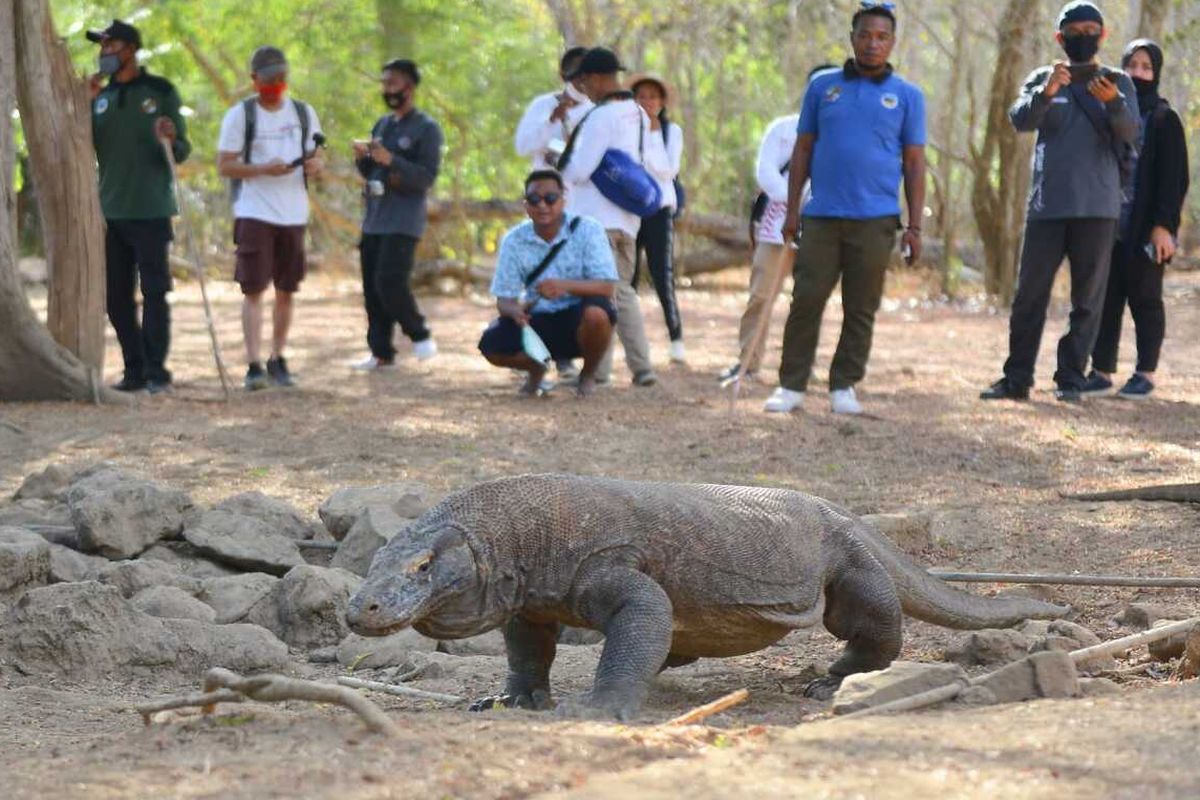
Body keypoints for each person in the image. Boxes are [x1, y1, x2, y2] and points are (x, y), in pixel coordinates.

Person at [766, 4, 926, 415]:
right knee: (806, 299)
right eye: (866, 35)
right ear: (852, 37)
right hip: (821, 214)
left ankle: (844, 386)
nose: (873, 43)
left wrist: (914, 226)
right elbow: (803, 149)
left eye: (882, 37)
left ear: (892, 42)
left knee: (861, 306)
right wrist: (791, 211)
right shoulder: (823, 87)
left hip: (876, 218)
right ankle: (791, 385)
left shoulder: (908, 96)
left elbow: (913, 162)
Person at [980, 1, 1140, 403]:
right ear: (1059, 38)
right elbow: (1020, 120)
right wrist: (1047, 91)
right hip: (1046, 207)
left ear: (1102, 36)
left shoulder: (1118, 80)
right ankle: (1017, 378)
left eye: (1092, 30)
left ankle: (1071, 377)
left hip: (1098, 208)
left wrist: (1113, 103)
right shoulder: (1042, 77)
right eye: (1075, 30)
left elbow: (1131, 133)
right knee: (1028, 296)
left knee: (1087, 299)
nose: (1084, 36)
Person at [88, 20, 191, 394]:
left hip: (151, 210)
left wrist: (171, 137)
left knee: (154, 292)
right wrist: (82, 101)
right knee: (116, 296)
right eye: (101, 47)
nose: (103, 53)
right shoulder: (98, 97)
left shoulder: (160, 90)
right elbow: (81, 147)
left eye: (109, 44)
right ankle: (133, 368)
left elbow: (180, 152)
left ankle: (156, 371)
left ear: (130, 48)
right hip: (110, 212)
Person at [1083, 39, 1189, 400]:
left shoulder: (1164, 118)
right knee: (1105, 299)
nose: (1137, 74)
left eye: (1146, 67)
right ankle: (1100, 370)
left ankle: (1145, 373)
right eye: (1132, 66)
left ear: (1156, 73)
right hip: (1109, 225)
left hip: (1146, 228)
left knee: (1145, 299)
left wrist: (1165, 227)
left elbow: (1176, 179)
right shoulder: (1113, 113)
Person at [559, 47, 669, 388]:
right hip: (628, 220)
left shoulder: (601, 116)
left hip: (596, 219)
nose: (584, 88)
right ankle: (641, 368)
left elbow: (579, 170)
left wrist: (557, 159)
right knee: (621, 291)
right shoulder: (637, 113)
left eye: (584, 81)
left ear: (594, 78)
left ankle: (599, 371)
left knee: (600, 294)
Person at [720, 64, 836, 384]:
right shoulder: (783, 129)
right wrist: (796, 202)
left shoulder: (845, 137)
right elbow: (766, 172)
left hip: (822, 228)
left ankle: (797, 369)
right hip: (778, 224)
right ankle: (748, 363)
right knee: (761, 295)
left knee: (808, 300)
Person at [217, 46, 324, 390]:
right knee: (253, 289)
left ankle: (278, 358)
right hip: (255, 211)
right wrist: (263, 168)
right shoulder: (240, 116)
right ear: (254, 81)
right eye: (268, 80)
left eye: (281, 79)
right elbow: (225, 164)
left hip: (294, 213)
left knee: (286, 289)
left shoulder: (304, 113)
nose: (276, 85)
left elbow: (318, 154)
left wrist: (315, 165)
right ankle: (253, 365)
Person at [479, 170, 617, 397]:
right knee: (491, 344)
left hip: (579, 317)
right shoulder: (514, 240)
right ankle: (537, 369)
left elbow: (606, 287)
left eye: (550, 198)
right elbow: (504, 299)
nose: (542, 205)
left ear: (563, 199)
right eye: (534, 199)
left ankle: (588, 374)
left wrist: (564, 286)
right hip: (537, 319)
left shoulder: (588, 229)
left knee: (597, 315)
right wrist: (515, 312)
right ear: (526, 205)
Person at [350, 59, 444, 372]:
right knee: (371, 289)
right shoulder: (382, 125)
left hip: (404, 220)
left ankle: (420, 333)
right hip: (375, 217)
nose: (388, 89)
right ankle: (381, 353)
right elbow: (373, 172)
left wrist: (392, 160)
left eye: (394, 83)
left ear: (410, 87)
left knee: (390, 282)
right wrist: (363, 159)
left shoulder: (426, 129)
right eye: (385, 83)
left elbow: (425, 178)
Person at [631, 74, 686, 363]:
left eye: (653, 97)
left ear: (662, 102)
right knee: (626, 276)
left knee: (661, 274)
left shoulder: (670, 132)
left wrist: (652, 135)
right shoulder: (626, 130)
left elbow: (668, 169)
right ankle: (626, 340)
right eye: (641, 96)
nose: (647, 102)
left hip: (659, 209)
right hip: (629, 210)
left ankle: (676, 338)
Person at [515, 47, 594, 171]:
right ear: (564, 75)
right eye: (578, 75)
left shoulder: (597, 111)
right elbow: (522, 147)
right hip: (545, 185)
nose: (584, 81)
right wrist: (551, 120)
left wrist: (558, 152)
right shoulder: (542, 105)